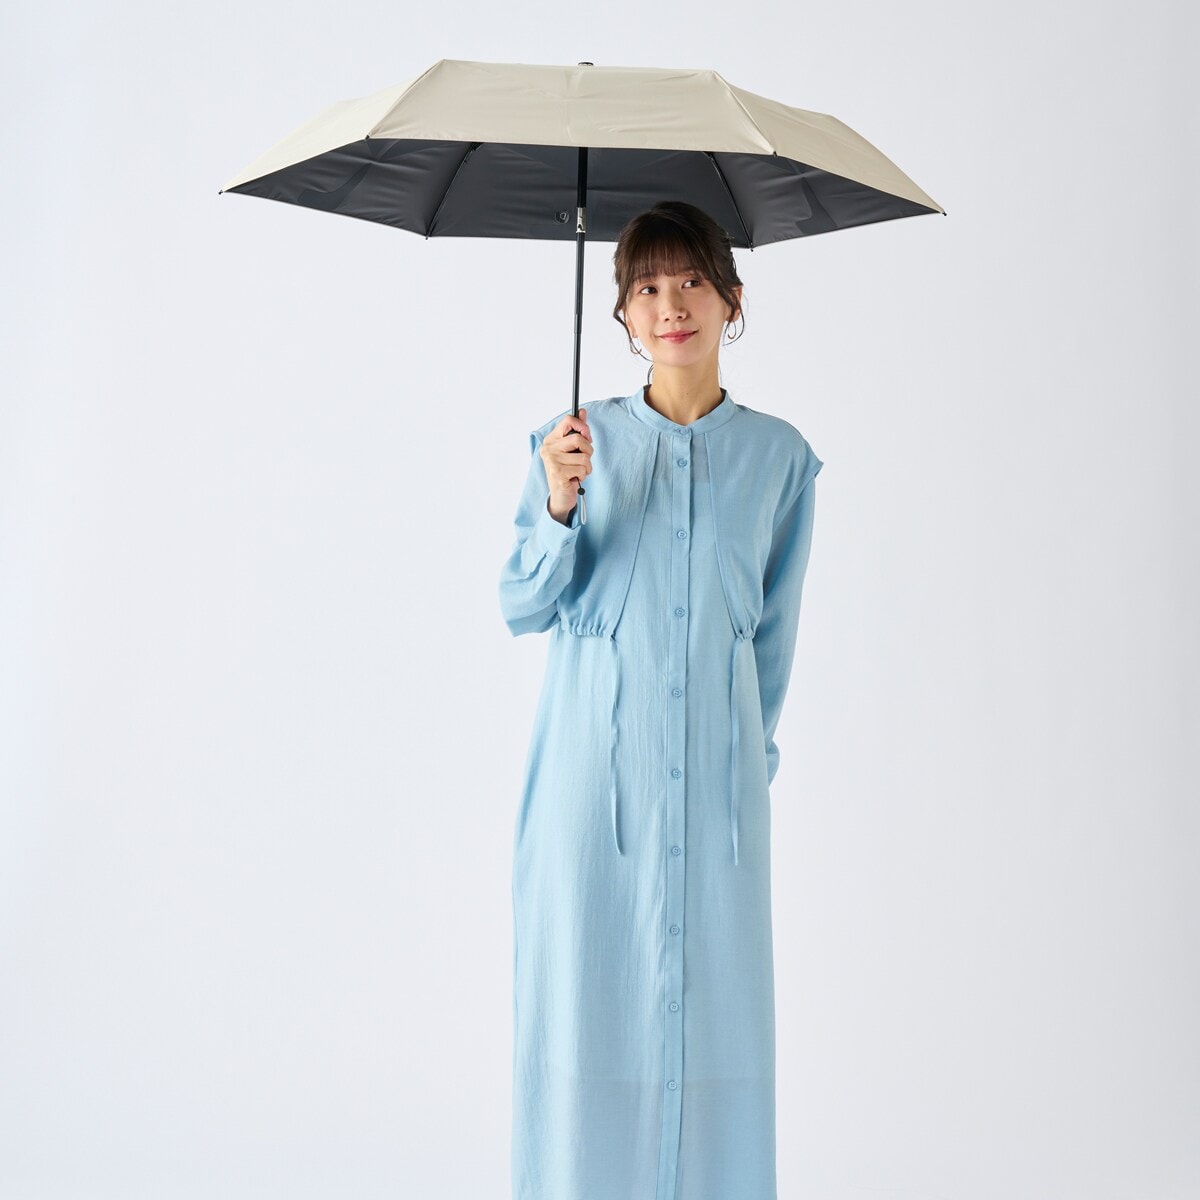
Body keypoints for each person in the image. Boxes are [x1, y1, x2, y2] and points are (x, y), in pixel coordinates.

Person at [498, 200, 823, 1200]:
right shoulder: (573, 442)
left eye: (690, 282)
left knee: (718, 1035)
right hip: (588, 807)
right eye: (646, 287)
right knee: (586, 1025)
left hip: (721, 814)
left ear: (732, 299)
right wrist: (560, 503)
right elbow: (521, 605)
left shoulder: (780, 460)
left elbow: (770, 645)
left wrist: (744, 771)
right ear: (623, 315)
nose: (670, 304)